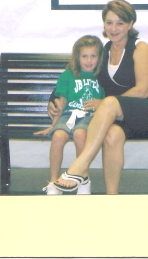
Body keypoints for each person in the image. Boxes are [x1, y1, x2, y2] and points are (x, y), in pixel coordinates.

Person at [48, 0, 148, 194]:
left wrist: (105, 103)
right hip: (120, 116)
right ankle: (112, 196)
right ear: (104, 24)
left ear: (130, 24)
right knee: (112, 134)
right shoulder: (103, 51)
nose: (114, 28)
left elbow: (142, 91)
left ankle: (78, 167)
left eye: (120, 23)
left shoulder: (140, 48)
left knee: (111, 102)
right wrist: (54, 100)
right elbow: (76, 72)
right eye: (109, 22)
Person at [34, 35, 105, 195]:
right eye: (84, 56)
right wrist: (53, 124)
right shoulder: (68, 75)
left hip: (89, 117)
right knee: (58, 136)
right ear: (77, 57)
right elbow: (61, 102)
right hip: (68, 115)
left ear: (99, 58)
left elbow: (107, 101)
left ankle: (83, 179)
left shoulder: (101, 77)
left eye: (93, 56)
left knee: (80, 135)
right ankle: (53, 181)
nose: (88, 60)